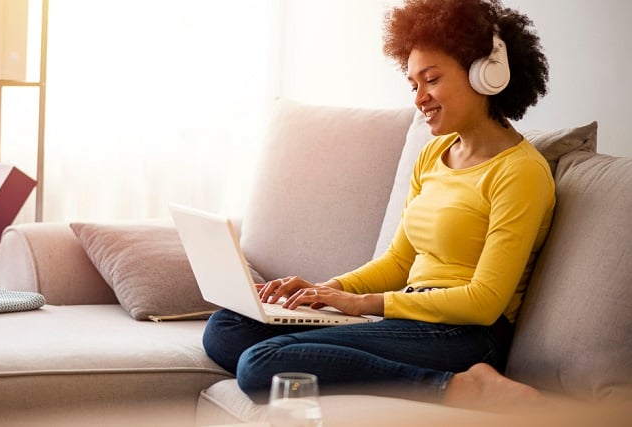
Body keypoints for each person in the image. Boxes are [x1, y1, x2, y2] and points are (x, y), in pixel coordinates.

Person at [202, 0, 553, 411]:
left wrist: (361, 304)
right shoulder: (433, 154)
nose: (420, 98)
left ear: (486, 73)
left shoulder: (520, 172)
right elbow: (398, 263)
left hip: (465, 334)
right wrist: (326, 290)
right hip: (408, 320)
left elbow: (484, 301)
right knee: (226, 328)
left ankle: (460, 386)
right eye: (413, 85)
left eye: (432, 79)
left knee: (259, 363)